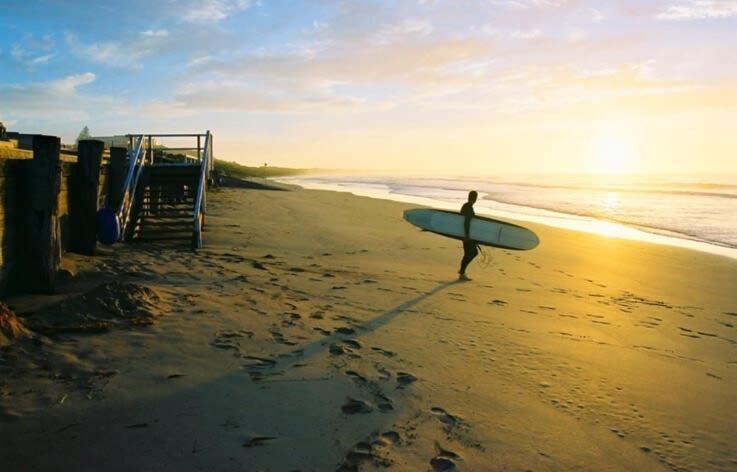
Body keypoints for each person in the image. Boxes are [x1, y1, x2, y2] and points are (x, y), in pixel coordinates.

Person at [458, 190, 479, 281]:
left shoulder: (466, 206)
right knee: (473, 253)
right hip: (467, 235)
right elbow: (466, 222)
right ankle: (462, 272)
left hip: (464, 234)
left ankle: (462, 272)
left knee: (468, 253)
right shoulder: (469, 207)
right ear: (475, 199)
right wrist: (467, 235)